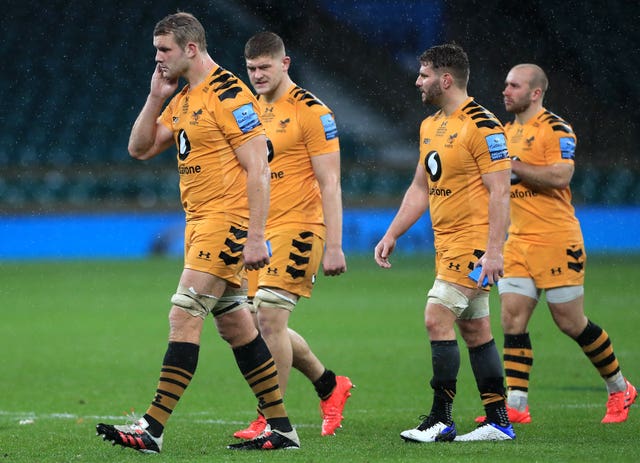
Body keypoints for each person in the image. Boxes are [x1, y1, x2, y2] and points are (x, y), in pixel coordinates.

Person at [95, 12, 300, 452]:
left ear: (190, 48)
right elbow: (140, 148)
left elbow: (259, 167)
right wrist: (154, 98)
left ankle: (151, 428)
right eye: (156, 51)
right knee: (236, 327)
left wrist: (256, 235)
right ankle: (282, 428)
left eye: (164, 50)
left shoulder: (229, 94)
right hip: (199, 222)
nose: (158, 58)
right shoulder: (186, 97)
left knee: (184, 311)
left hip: (226, 222)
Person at [475, 63, 637, 424]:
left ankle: (619, 387)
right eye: (505, 84)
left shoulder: (555, 128)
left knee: (570, 322)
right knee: (512, 318)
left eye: (514, 86)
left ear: (535, 93)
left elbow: (562, 173)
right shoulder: (502, 132)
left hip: (556, 239)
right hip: (517, 241)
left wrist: (514, 166)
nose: (505, 91)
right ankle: (516, 405)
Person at [374, 43, 515, 442]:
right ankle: (498, 421)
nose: (417, 81)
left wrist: (494, 251)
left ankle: (441, 417)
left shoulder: (483, 126)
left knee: (436, 316)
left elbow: (500, 192)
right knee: (476, 331)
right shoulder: (430, 125)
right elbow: (421, 186)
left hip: (473, 245)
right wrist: (392, 233)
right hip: (447, 245)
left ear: (446, 78)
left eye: (423, 74)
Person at [229, 31, 353, 440]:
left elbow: (330, 181)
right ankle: (329, 385)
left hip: (301, 226)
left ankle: (271, 420)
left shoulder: (313, 112)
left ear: (286, 63)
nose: (257, 75)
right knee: (252, 322)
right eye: (251, 69)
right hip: (259, 230)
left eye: (265, 67)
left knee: (268, 317)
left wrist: (334, 245)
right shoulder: (249, 109)